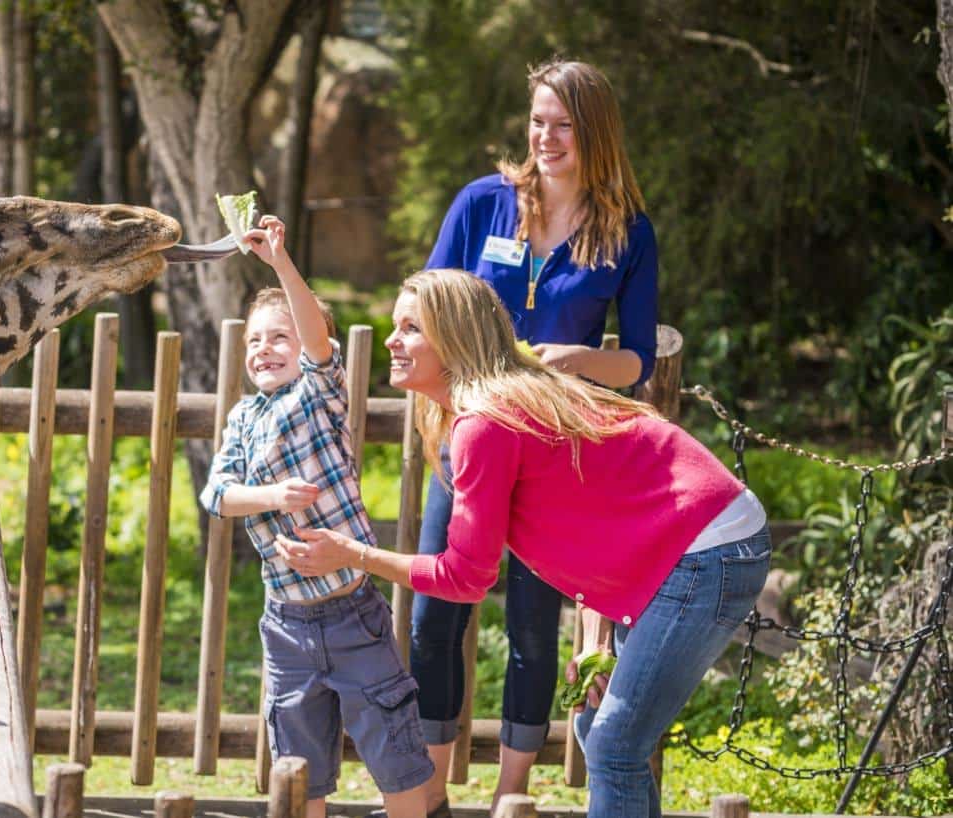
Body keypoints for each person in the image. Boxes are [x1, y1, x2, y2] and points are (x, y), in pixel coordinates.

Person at [278, 269, 770, 818]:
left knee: (613, 743)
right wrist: (594, 638)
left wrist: (355, 555)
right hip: (684, 544)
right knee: (598, 726)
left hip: (707, 544)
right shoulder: (493, 405)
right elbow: (596, 516)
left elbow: (466, 577)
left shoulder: (486, 422)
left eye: (411, 328)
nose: (392, 340)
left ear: (454, 336)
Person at [414, 58, 659, 812]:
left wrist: (578, 357)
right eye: (538, 122)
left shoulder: (627, 232)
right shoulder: (482, 203)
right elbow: (424, 302)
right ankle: (428, 788)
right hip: (471, 441)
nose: (546, 138)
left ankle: (509, 796)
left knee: (531, 625)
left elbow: (637, 358)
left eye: (564, 125)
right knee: (434, 617)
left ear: (595, 133)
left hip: (557, 455)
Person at [200, 216, 433, 818]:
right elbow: (218, 495)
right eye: (254, 341)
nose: (264, 349)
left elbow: (315, 344)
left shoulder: (319, 395)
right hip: (286, 627)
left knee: (394, 751)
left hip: (354, 616)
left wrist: (280, 262)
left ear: (307, 348)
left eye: (279, 337)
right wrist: (274, 496)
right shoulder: (243, 419)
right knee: (300, 770)